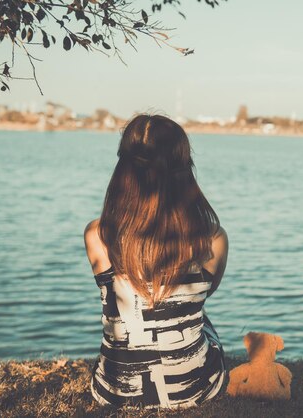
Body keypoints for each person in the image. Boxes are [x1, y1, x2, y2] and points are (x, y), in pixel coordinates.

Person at [83, 114, 229, 410]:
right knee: (202, 320)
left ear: (124, 170)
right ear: (184, 170)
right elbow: (204, 294)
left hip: (114, 391)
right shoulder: (212, 238)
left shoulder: (98, 235)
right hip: (192, 392)